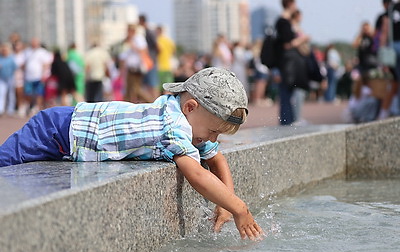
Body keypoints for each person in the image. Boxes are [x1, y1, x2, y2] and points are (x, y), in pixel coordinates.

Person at [0, 67, 263, 240]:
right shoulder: (173, 125)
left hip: (70, 135)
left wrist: (224, 204)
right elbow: (196, 175)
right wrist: (238, 207)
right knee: (5, 162)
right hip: (57, 129)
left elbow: (216, 158)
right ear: (191, 107)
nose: (212, 139)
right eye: (214, 131)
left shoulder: (190, 121)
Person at [275, 0, 310, 125]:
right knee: (287, 90)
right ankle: (287, 120)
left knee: (287, 90)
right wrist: (303, 39)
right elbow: (287, 44)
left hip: (286, 61)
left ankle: (288, 119)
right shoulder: (283, 21)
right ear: (290, 4)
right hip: (287, 61)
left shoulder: (283, 21)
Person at [139, 14, 160, 101]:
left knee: (152, 84)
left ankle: (156, 101)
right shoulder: (145, 32)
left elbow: (157, 47)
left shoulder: (149, 32)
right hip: (148, 62)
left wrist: (152, 57)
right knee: (148, 85)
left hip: (150, 62)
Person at [156, 25, 176, 94]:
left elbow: (158, 51)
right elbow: (174, 52)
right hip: (169, 67)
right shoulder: (169, 40)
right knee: (168, 88)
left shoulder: (157, 41)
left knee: (157, 89)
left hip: (160, 67)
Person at [0, 42, 17, 116]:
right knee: (1, 93)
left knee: (11, 94)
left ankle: (11, 109)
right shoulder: (0, 58)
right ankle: (1, 109)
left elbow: (15, 68)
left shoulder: (12, 58)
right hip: (2, 78)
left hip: (10, 78)